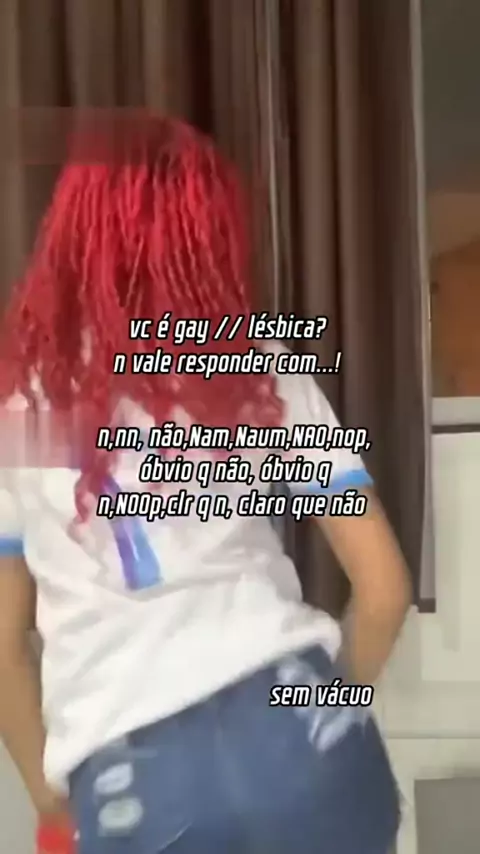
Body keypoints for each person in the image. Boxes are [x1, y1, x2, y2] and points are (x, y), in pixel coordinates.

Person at [0, 115, 411, 854]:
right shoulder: (259, 370)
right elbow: (383, 589)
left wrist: (52, 800)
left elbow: (3, 650)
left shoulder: (16, 409)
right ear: (206, 236)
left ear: (71, 235)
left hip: (136, 785)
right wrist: (325, 708)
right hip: (310, 749)